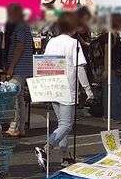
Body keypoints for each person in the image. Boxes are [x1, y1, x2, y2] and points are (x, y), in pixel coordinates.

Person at [35, 11, 93, 170]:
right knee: (67, 125)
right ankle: (46, 148)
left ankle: (65, 156)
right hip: (67, 88)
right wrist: (88, 91)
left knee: (62, 124)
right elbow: (80, 68)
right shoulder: (74, 44)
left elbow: (43, 63)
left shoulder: (52, 42)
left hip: (53, 86)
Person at [0, 3, 35, 138]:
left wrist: (11, 66)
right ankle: (20, 127)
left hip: (19, 67)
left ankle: (13, 127)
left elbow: (19, 46)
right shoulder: (25, 27)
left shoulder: (20, 27)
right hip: (24, 67)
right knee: (19, 98)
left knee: (13, 96)